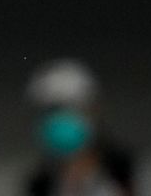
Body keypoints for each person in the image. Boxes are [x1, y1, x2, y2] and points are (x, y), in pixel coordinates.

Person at [23, 59, 134, 196]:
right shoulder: (41, 183)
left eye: (68, 109)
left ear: (93, 109)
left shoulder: (126, 170)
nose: (59, 119)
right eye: (51, 111)